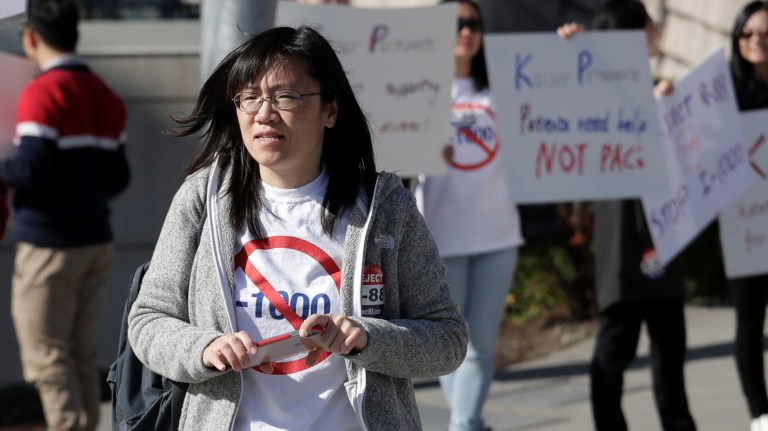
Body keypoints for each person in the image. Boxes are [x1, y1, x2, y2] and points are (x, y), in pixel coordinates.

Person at [127, 25, 468, 430]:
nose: (264, 114)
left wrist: (367, 337)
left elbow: (447, 340)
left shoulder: (386, 207)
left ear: (330, 111)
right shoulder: (203, 197)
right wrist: (204, 348)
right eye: (250, 98)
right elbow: (149, 320)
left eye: (285, 96)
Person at [558, 1, 696, 430]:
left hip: (662, 229)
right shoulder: (598, 94)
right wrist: (569, 55)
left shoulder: (660, 90)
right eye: (649, 24)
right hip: (621, 235)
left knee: (669, 346)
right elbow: (557, 109)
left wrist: (668, 107)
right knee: (616, 343)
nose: (657, 30)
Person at [0, 0, 131, 429]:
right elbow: (118, 177)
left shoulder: (42, 91)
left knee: (47, 355)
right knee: (78, 351)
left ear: (31, 37)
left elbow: (30, 170)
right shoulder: (104, 94)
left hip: (49, 245)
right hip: (95, 240)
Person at [414, 1, 524, 430]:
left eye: (473, 23)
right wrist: (423, 153)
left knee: (481, 346)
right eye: (456, 23)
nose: (466, 31)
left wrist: (568, 48)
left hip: (499, 234)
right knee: (450, 346)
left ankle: (464, 424)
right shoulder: (415, 92)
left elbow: (557, 102)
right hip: (441, 239)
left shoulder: (501, 90)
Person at [727, 2, 768, 430]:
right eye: (749, 33)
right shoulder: (720, 91)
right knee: (750, 322)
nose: (757, 41)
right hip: (747, 226)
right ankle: (761, 414)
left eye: (766, 34)